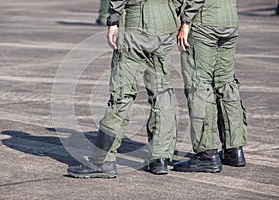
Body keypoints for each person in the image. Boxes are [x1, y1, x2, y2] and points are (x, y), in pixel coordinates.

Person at [67, 0, 182, 178]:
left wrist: (113, 20)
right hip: (165, 25)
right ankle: (160, 158)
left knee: (121, 95)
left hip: (135, 27)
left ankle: (102, 161)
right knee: (162, 93)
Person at [173, 0, 247, 173]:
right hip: (229, 20)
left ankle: (207, 153)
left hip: (205, 21)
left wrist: (185, 21)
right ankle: (234, 149)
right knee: (226, 83)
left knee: (199, 86)